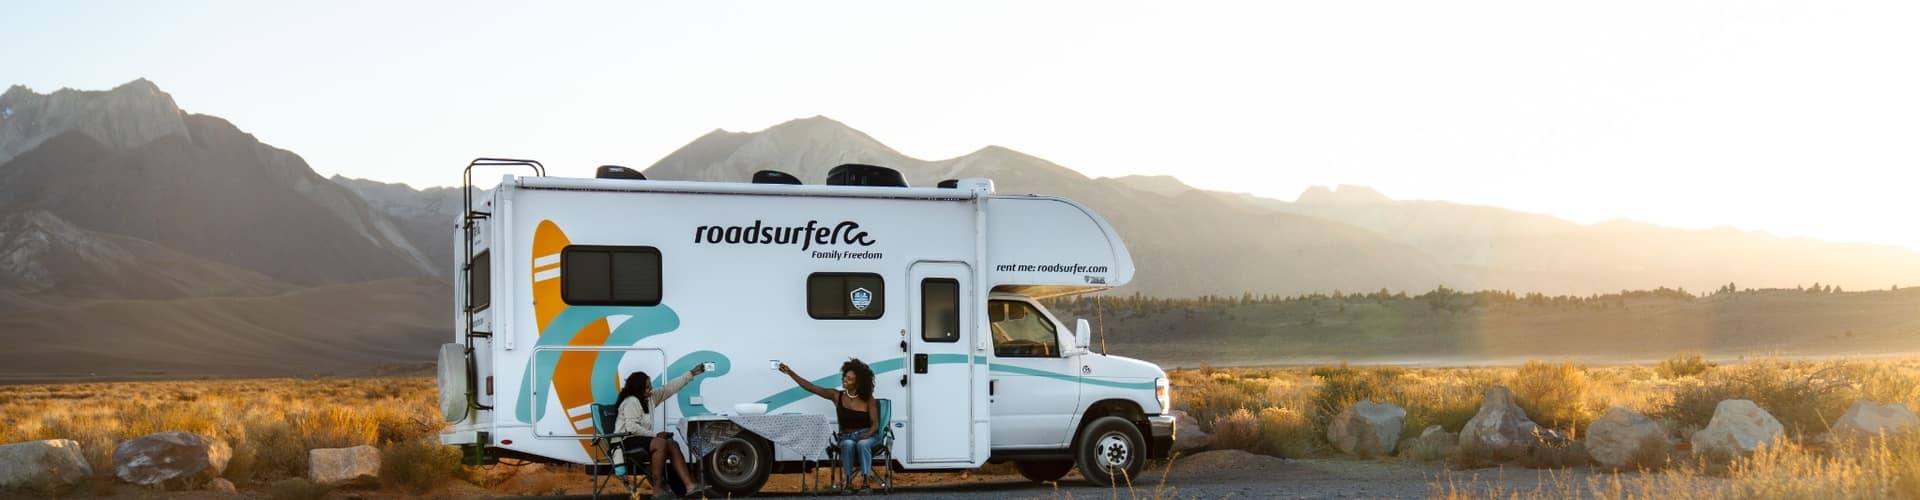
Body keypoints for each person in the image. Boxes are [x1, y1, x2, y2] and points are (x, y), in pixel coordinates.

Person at [778, 358, 884, 495]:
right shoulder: (836, 395)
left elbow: (875, 424)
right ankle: (848, 483)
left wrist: (868, 434)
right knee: (847, 444)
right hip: (847, 436)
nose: (845, 380)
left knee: (863, 444)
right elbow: (811, 387)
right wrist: (790, 373)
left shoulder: (868, 399)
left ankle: (866, 483)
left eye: (850, 379)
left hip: (866, 435)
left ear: (858, 383)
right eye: (845, 376)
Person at [616, 365, 706, 497]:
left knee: (672, 444)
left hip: (642, 439)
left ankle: (689, 485)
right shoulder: (631, 401)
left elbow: (669, 388)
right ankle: (657, 489)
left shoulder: (649, 398)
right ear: (638, 389)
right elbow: (632, 428)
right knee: (660, 443)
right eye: (647, 387)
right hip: (627, 441)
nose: (650, 389)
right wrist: (656, 435)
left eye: (650, 386)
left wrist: (691, 373)